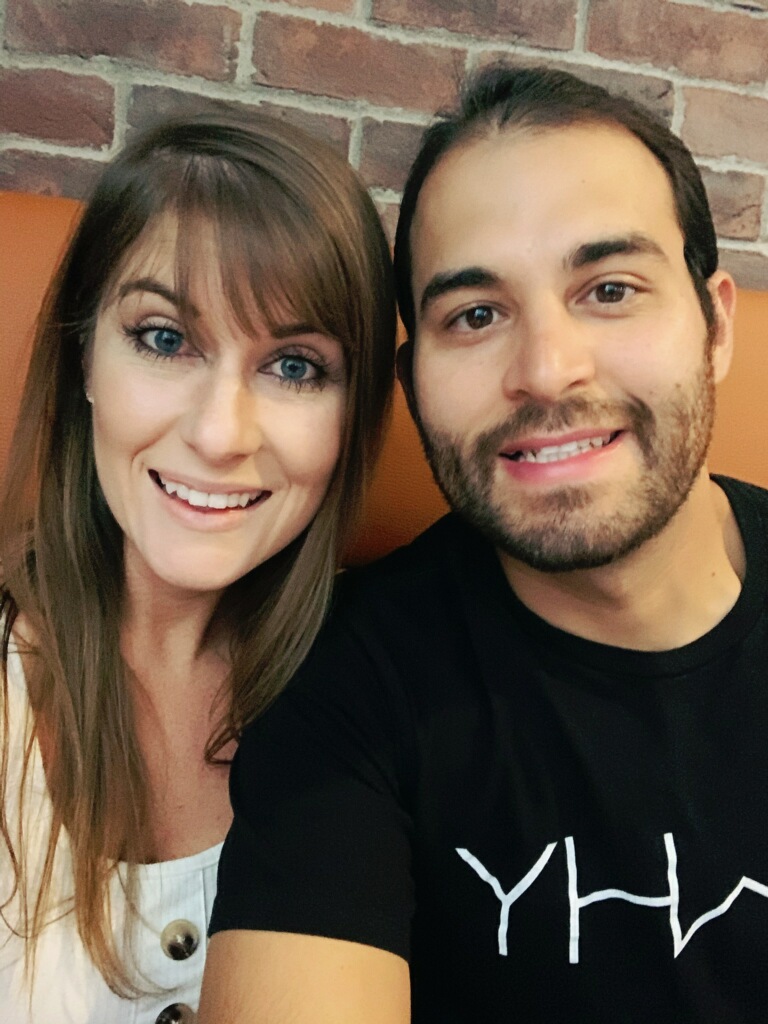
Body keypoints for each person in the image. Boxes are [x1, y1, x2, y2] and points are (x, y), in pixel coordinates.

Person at [199, 64, 768, 1024]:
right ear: (413, 383)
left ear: (715, 326)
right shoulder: (343, 688)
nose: (546, 369)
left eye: (610, 289)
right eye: (475, 315)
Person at [0, 112, 396, 1022]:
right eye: (165, 339)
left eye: (294, 367)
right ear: (83, 357)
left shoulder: (399, 694)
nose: (220, 435)